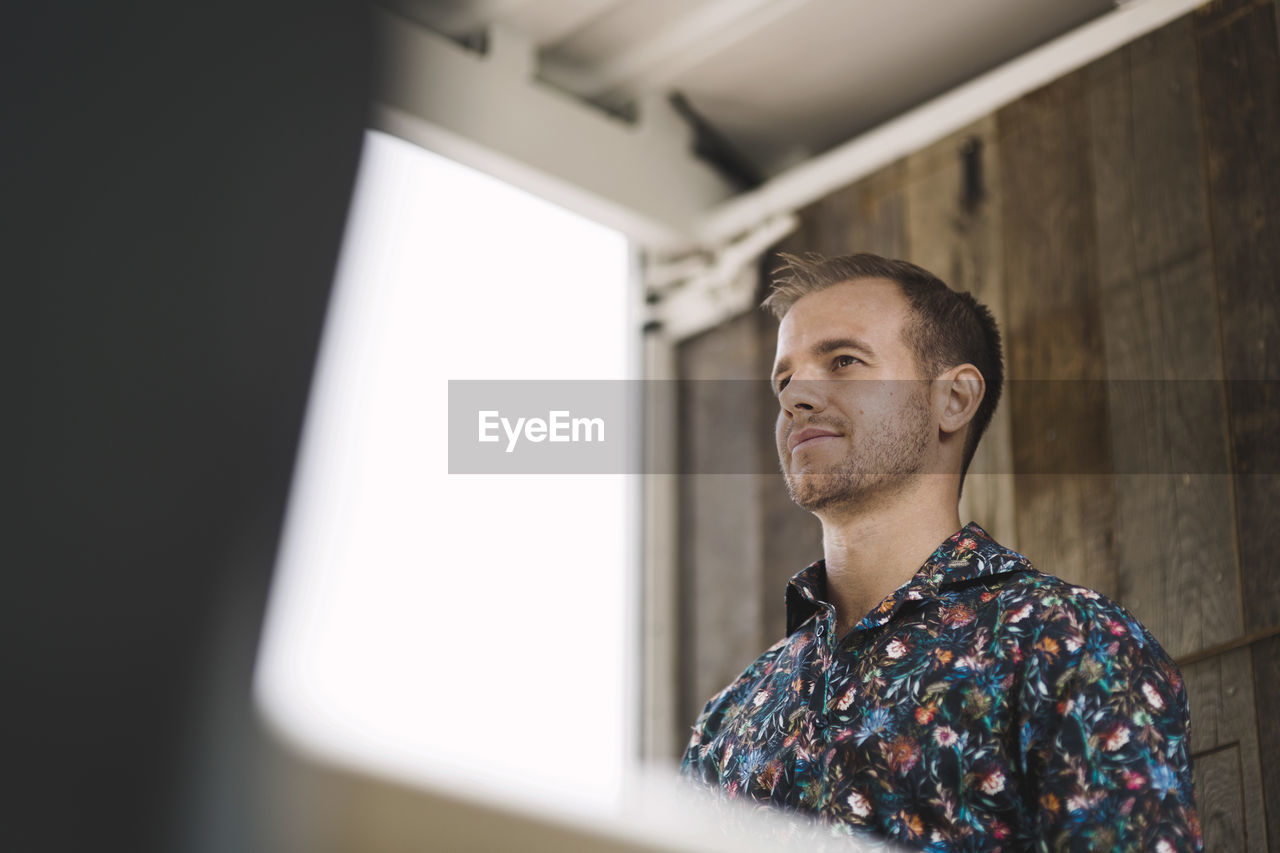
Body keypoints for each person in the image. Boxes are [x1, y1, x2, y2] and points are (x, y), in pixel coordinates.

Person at [680, 252, 1202, 851]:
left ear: (953, 399)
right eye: (784, 379)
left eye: (843, 361)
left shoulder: (1071, 643)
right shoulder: (731, 718)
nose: (795, 396)